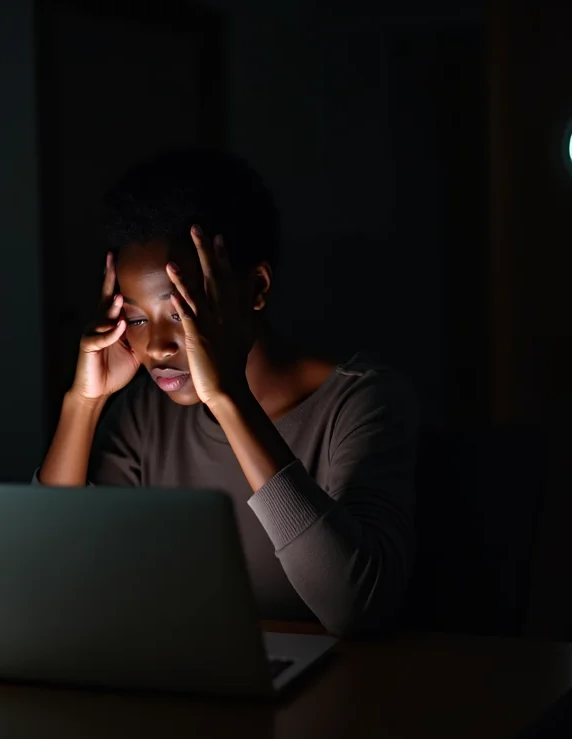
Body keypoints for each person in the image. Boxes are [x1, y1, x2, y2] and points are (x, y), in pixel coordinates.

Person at [37, 147, 419, 637]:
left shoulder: (364, 402)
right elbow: (48, 579)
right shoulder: (144, 419)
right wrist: (83, 404)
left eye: (180, 312)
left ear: (255, 289)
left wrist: (229, 397)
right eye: (134, 318)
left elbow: (357, 607)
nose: (155, 347)